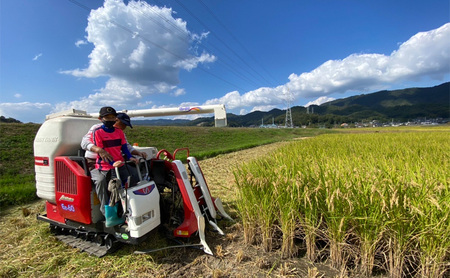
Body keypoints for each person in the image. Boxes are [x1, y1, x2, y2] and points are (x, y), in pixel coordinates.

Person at [86, 107, 139, 226]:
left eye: (112, 117)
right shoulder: (97, 131)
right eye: (107, 117)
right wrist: (112, 163)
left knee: (129, 181)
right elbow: (102, 151)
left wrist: (131, 157)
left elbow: (125, 147)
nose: (110, 120)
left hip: (118, 162)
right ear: (101, 119)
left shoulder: (119, 132)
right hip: (103, 164)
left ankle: (128, 210)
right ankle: (108, 215)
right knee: (105, 184)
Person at [81, 112, 147, 171]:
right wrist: (99, 150)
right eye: (121, 124)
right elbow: (84, 143)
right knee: (102, 180)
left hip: (115, 160)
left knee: (132, 173)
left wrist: (138, 153)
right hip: (94, 160)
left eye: (125, 125)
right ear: (115, 120)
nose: (123, 127)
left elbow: (126, 146)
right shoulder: (97, 128)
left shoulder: (120, 132)